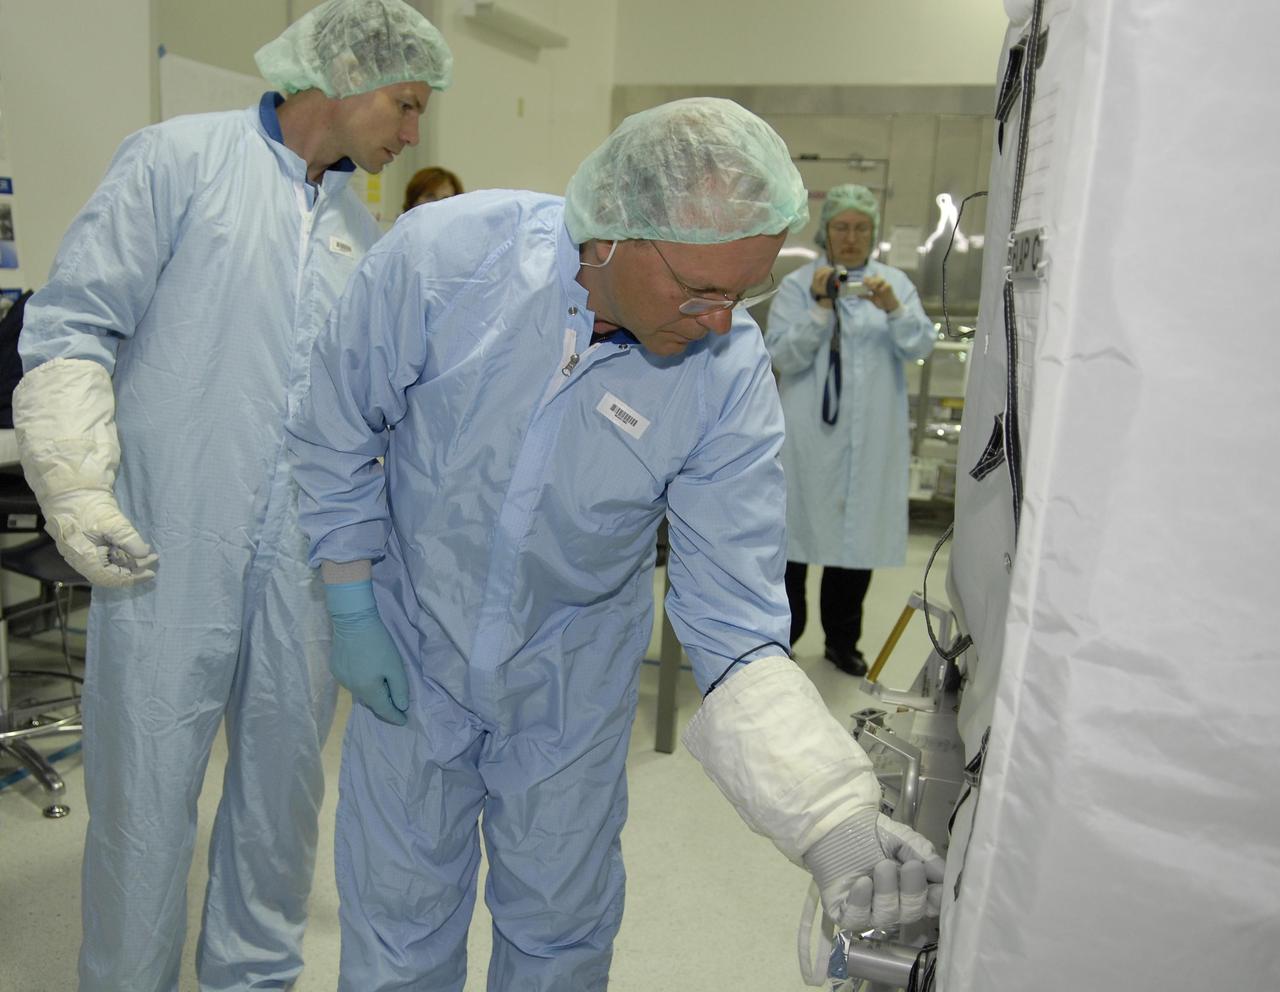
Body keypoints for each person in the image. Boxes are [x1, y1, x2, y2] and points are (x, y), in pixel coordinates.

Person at [287, 97, 945, 991]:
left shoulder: (725, 371)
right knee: (397, 933)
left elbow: (734, 622)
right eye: (701, 291)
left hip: (569, 680)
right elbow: (335, 428)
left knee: (559, 936)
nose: (720, 321)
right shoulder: (445, 261)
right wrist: (353, 600)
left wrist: (832, 817)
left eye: (743, 294)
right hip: (412, 649)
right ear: (612, 237)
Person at [9, 2, 451, 989]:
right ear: (342, 70)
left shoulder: (352, 223)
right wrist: (78, 485)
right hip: (169, 540)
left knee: (282, 794)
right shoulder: (177, 160)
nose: (412, 132)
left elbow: (357, 404)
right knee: (147, 790)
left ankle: (254, 972)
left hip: (299, 559)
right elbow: (73, 322)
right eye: (407, 103)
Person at [764, 183, 935, 677]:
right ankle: (784, 639)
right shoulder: (799, 285)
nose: (852, 236)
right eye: (843, 226)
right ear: (826, 231)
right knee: (795, 542)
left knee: (855, 542)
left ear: (873, 233)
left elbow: (920, 345)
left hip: (872, 438)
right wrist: (821, 308)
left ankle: (843, 642)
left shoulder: (894, 284)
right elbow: (780, 355)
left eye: (862, 228)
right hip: (808, 440)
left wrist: (895, 310)